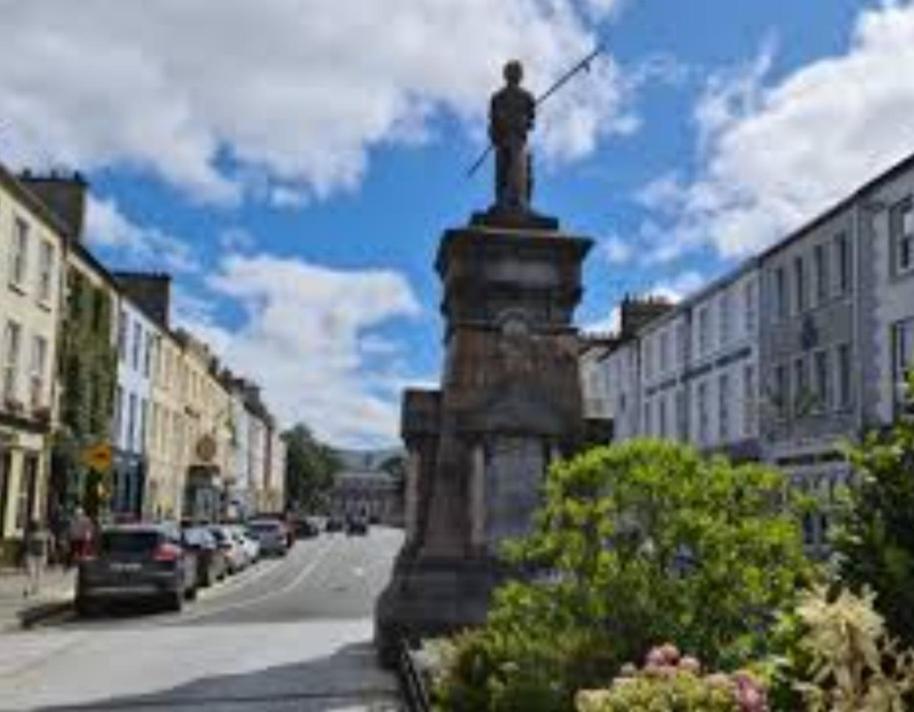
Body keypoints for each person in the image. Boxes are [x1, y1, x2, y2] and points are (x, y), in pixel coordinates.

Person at [22, 520, 48, 598]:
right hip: (39, 555)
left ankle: (30, 588)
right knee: (37, 573)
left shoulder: (29, 535)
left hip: (33, 555)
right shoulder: (44, 534)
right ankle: (33, 589)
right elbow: (50, 542)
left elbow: (25, 545)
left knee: (31, 573)